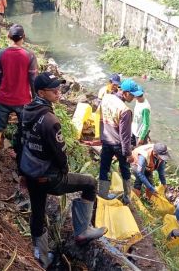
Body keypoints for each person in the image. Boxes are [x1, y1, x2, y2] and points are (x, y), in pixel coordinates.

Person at [19, 72, 106, 268]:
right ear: (41, 92)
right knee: (90, 184)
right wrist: (64, 171)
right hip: (49, 177)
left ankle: (41, 256)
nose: (59, 92)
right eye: (54, 90)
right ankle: (82, 231)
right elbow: (60, 153)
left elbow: (20, 142)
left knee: (38, 212)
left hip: (31, 172)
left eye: (59, 88)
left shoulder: (27, 110)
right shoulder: (50, 120)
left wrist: (22, 172)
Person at [0, 24, 37, 161]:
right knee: (24, 127)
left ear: (8, 37)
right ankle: (23, 155)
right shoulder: (30, 56)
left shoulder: (1, 54)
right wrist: (35, 98)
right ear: (24, 37)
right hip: (23, 99)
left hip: (4, 98)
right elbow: (33, 79)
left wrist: (2, 89)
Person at [98, 83, 134, 204]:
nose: (133, 98)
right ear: (126, 93)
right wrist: (128, 154)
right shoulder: (125, 110)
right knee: (125, 170)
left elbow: (100, 116)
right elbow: (125, 136)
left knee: (104, 167)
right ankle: (127, 198)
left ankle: (103, 194)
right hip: (118, 144)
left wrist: (101, 137)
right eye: (132, 95)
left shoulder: (106, 97)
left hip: (106, 139)